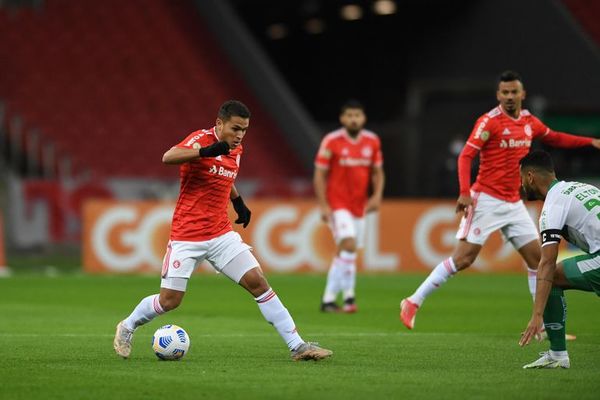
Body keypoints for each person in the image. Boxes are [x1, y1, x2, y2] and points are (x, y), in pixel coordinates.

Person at [113, 100, 332, 361]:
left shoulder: (236, 149)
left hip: (220, 234)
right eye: (235, 128)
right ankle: (127, 326)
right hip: (187, 235)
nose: (239, 135)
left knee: (258, 282)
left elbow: (224, 176)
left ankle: (298, 346)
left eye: (244, 130)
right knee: (169, 301)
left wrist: (238, 202)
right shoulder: (201, 139)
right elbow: (168, 157)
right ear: (220, 123)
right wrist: (205, 151)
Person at [400, 70, 600, 329]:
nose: (509, 97)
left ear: (522, 94)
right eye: (504, 92)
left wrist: (590, 142)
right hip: (486, 199)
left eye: (513, 92)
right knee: (464, 259)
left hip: (514, 202)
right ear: (498, 95)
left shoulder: (529, 122)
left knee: (536, 260)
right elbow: (465, 156)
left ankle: (541, 325)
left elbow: (555, 137)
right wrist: (465, 191)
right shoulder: (489, 122)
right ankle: (413, 301)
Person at [519, 150, 600, 369]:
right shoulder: (582, 188)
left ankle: (557, 354)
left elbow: (546, 262)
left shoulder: (552, 206)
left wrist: (537, 316)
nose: (522, 186)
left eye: (521, 179)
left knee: (552, 275)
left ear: (530, 177)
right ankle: (557, 354)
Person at [314, 100, 385, 313]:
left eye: (357, 115)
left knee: (347, 252)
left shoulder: (372, 141)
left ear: (363, 118)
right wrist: (324, 205)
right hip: (338, 204)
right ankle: (349, 297)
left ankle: (328, 300)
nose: (354, 119)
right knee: (349, 245)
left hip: (359, 205)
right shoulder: (332, 141)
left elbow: (378, 172)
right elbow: (319, 174)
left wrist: (377, 196)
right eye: (350, 115)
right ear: (342, 118)